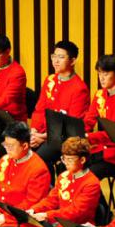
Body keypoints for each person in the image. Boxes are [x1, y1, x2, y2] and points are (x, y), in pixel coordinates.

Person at [29, 136, 101, 227]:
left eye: (70, 159)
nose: (66, 162)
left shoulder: (91, 183)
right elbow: (51, 200)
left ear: (82, 159)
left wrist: (47, 215)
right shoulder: (63, 176)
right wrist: (34, 209)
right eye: (64, 158)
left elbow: (76, 212)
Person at [30, 40, 90, 168]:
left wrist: (43, 137)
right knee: (18, 149)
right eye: (54, 56)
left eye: (61, 57)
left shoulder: (79, 88)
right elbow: (39, 109)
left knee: (38, 159)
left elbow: (71, 127)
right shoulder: (50, 80)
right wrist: (34, 131)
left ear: (72, 61)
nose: (55, 61)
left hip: (63, 139)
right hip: (42, 133)